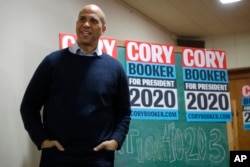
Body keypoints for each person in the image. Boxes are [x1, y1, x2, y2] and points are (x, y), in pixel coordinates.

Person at [20, 4, 131, 167]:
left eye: (93, 21)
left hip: (99, 160)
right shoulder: (52, 62)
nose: (86, 24)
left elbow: (124, 112)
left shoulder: (115, 69)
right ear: (77, 24)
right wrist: (41, 139)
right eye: (82, 19)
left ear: (103, 29)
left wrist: (116, 140)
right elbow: (29, 106)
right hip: (57, 160)